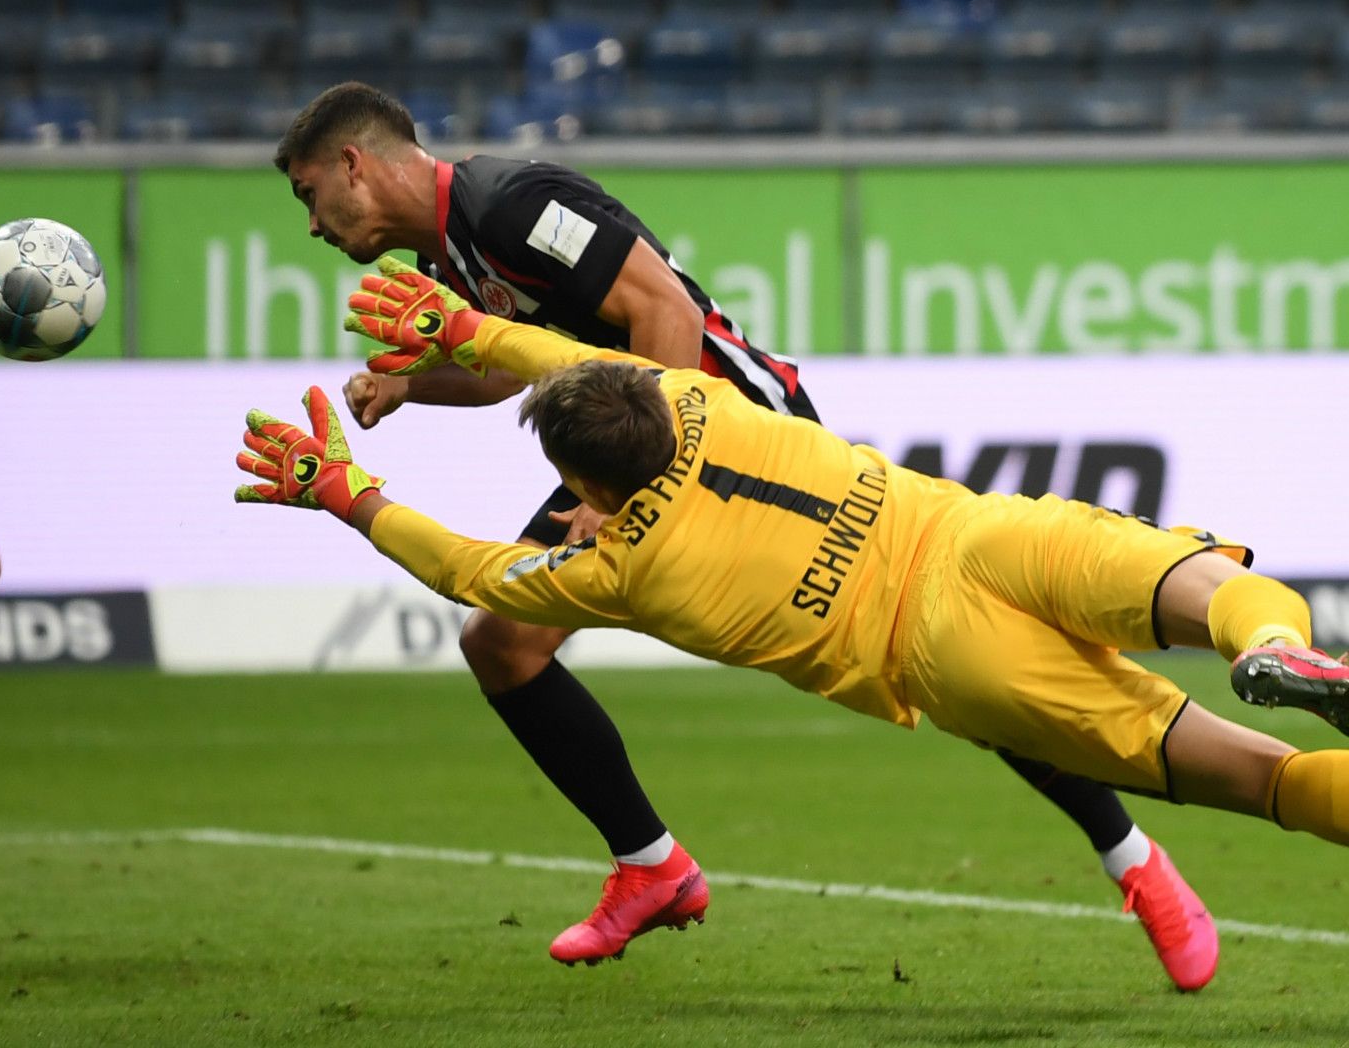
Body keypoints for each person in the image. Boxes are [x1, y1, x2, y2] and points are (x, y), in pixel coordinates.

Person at [271, 81, 1216, 984]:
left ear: (355, 164)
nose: (314, 225)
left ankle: (1132, 857)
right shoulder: (452, 257)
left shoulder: (513, 205)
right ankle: (651, 865)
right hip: (631, 459)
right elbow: (511, 367)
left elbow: (664, 310)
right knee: (501, 646)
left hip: (736, 437)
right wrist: (409, 383)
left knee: (945, 654)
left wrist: (634, 493)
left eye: (311, 196)